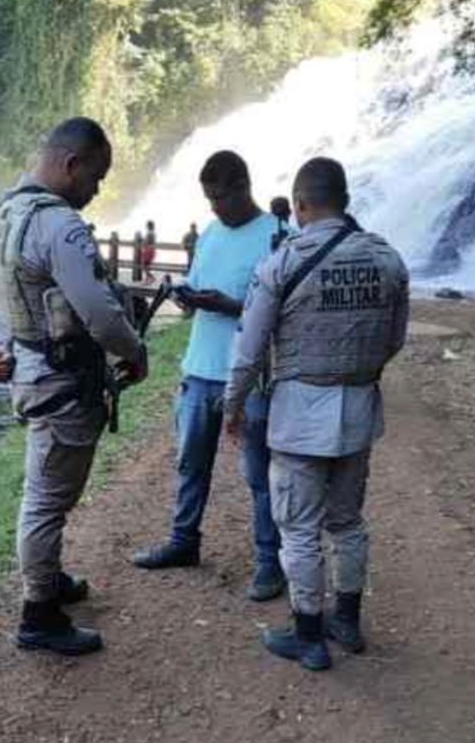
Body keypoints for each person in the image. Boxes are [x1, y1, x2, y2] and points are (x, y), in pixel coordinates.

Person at [224, 156, 409, 672]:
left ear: (300, 205)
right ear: (345, 200)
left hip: (299, 414)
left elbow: (250, 349)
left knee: (299, 528)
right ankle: (346, 621)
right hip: (359, 410)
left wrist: (233, 407)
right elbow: (393, 340)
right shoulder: (388, 259)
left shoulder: (283, 262)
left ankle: (307, 637)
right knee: (347, 521)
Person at [0, 118, 147, 656]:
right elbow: (100, 313)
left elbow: (2, 300)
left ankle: (49, 579)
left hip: (31, 369)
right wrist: (136, 350)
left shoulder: (9, 214)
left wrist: (4, 350)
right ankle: (39, 614)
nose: (96, 190)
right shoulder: (60, 226)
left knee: (48, 492)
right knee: (47, 499)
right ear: (71, 165)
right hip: (62, 379)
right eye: (95, 177)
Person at [133, 151, 286, 602]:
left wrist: (231, 305)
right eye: (208, 198)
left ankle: (268, 564)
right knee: (189, 464)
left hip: (251, 374)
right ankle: (183, 542)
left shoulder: (279, 238)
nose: (214, 207)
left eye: (219, 197)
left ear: (243, 186)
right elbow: (199, 286)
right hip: (200, 368)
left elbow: (286, 311)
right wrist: (189, 298)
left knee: (259, 474)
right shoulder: (213, 234)